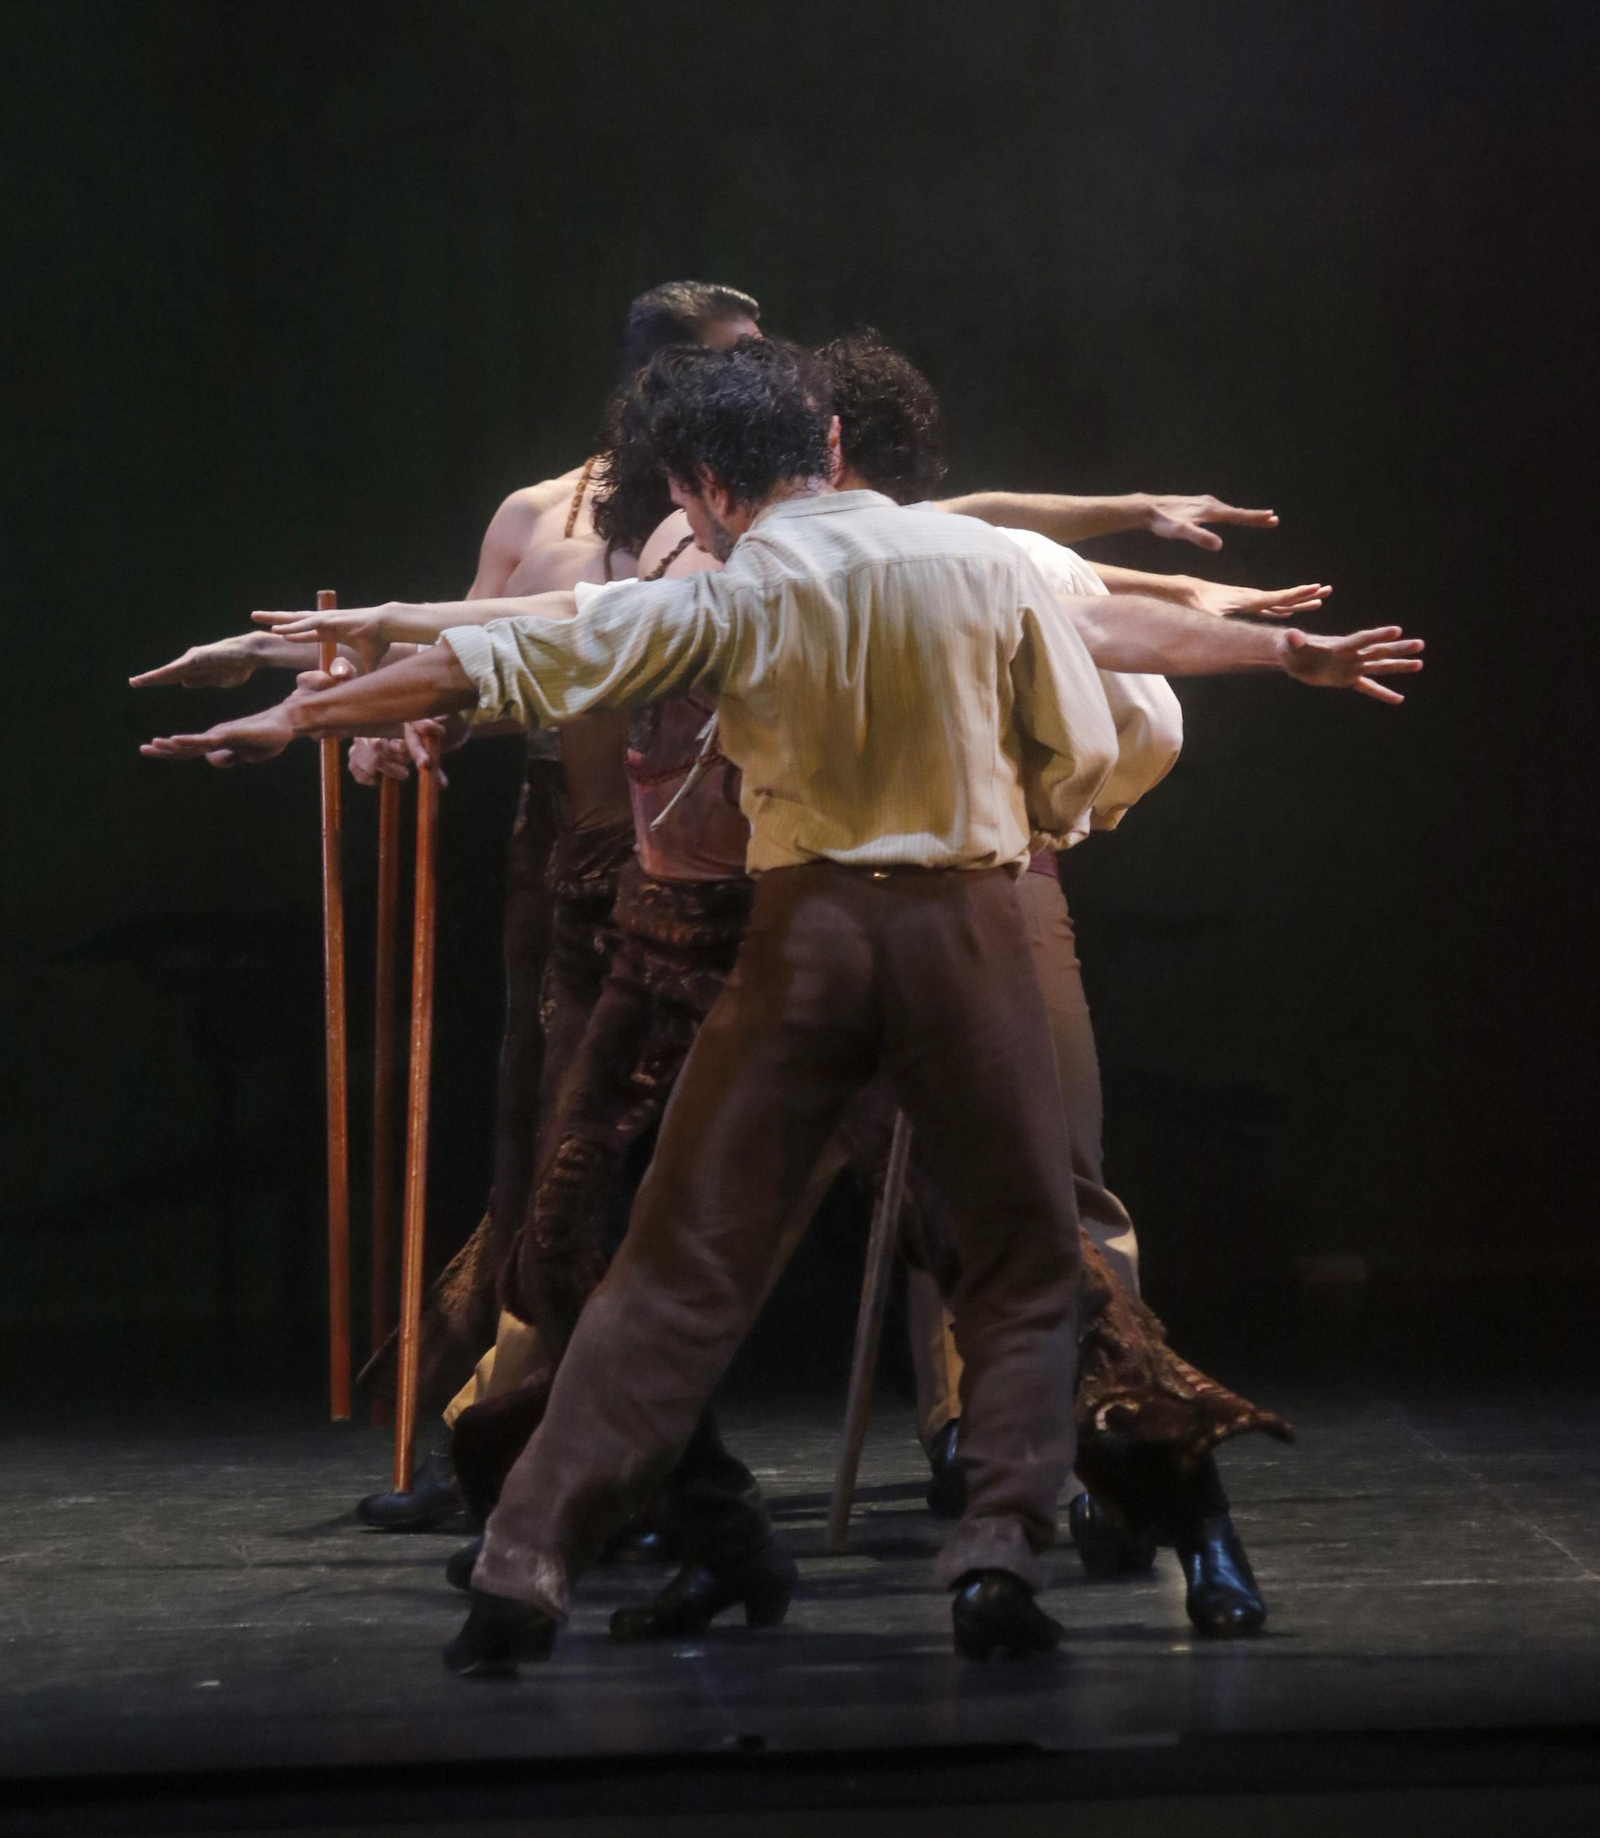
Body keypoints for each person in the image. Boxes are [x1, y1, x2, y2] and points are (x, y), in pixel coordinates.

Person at [143, 339, 1422, 1670]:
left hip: (799, 936)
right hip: (960, 924)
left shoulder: (734, 588)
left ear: (701, 479)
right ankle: (995, 1542)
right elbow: (1099, 668)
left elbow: (512, 662)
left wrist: (301, 721)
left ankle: (524, 1562)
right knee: (1025, 1254)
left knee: (681, 1258)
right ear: (821, 446)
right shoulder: (970, 562)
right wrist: (1260, 668)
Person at [131, 281, 765, 1529]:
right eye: (737, 363)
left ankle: (627, 1449)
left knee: (710, 1160)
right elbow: (485, 659)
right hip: (568, 850)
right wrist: (407, 728)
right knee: (552, 1152)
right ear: (660, 381)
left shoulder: (742, 520)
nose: (767, 384)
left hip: (707, 857)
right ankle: (560, 1443)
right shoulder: (544, 509)